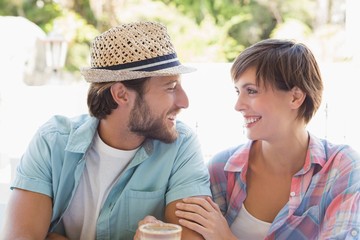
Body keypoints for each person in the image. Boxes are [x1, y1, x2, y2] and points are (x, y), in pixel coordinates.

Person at [0, 21, 211, 240]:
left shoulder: (182, 146)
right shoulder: (52, 142)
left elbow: (191, 237)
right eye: (171, 87)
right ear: (121, 94)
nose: (184, 101)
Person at [173, 39, 360, 239]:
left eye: (251, 91)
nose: (238, 105)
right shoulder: (221, 169)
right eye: (238, 91)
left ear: (295, 97)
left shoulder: (341, 168)